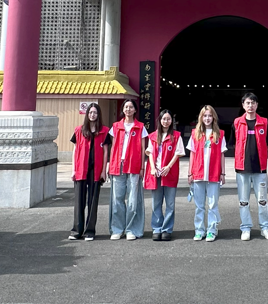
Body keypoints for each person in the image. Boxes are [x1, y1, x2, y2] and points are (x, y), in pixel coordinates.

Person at [232, 92, 268, 241]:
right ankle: (245, 228)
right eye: (248, 103)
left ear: (257, 105)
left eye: (253, 103)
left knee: (262, 201)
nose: (250, 106)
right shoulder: (237, 123)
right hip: (242, 169)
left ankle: (265, 227)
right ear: (243, 105)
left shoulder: (264, 122)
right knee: (243, 201)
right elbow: (234, 143)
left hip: (260, 168)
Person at [68, 103, 110, 241]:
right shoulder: (79, 130)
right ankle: (76, 231)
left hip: (96, 170)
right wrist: (73, 169)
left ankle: (90, 231)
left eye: (95, 112)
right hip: (81, 169)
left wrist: (104, 171)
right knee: (79, 201)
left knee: (93, 201)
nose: (92, 115)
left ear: (98, 115)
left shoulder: (104, 131)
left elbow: (105, 152)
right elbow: (75, 150)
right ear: (87, 114)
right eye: (90, 112)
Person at [108, 99, 148, 240]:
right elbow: (113, 147)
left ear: (135, 110)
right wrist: (110, 165)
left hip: (134, 165)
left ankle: (131, 229)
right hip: (118, 165)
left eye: (131, 107)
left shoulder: (140, 127)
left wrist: (142, 167)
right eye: (126, 107)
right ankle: (117, 229)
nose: (128, 109)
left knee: (133, 199)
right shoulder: (115, 126)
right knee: (117, 198)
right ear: (123, 109)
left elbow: (143, 148)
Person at [144, 109, 185, 241]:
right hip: (156, 173)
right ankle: (157, 228)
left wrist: (168, 167)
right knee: (156, 203)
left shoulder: (176, 136)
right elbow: (150, 153)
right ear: (159, 120)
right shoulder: (153, 136)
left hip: (170, 172)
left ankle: (167, 229)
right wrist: (152, 168)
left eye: (168, 119)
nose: (166, 121)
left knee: (170, 203)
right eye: (163, 119)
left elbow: (178, 153)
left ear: (171, 121)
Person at [187, 105, 227, 242]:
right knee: (199, 206)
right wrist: (190, 173)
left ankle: (212, 230)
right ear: (201, 117)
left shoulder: (219, 134)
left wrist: (223, 173)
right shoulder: (195, 133)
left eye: (210, 116)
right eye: (205, 116)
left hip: (214, 174)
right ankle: (199, 230)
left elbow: (222, 154)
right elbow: (192, 154)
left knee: (212, 205)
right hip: (198, 173)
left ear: (214, 117)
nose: (207, 118)